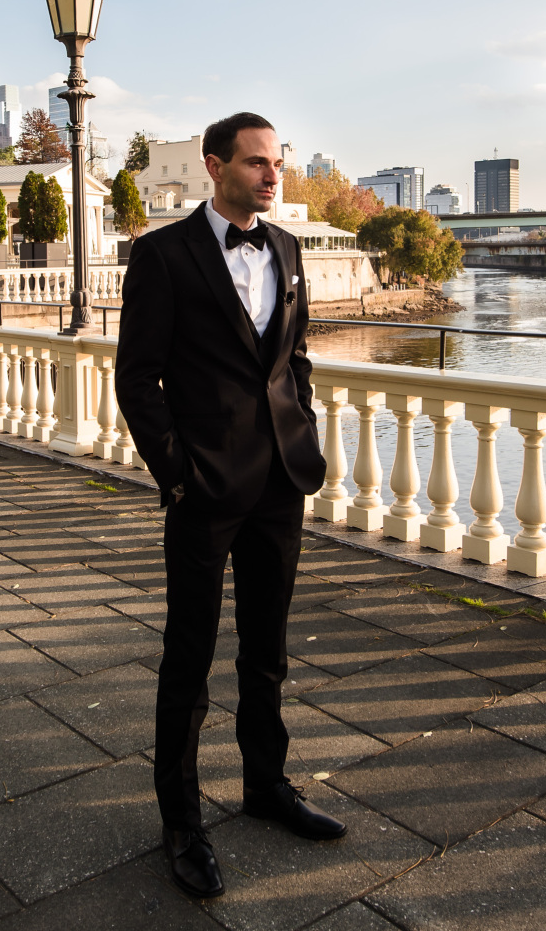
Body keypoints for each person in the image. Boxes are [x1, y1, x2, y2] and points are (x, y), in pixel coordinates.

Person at [114, 111, 344, 900]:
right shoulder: (163, 255)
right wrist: (176, 475)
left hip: (280, 483)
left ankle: (266, 785)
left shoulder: (286, 248)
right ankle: (181, 824)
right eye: (256, 163)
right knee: (189, 658)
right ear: (215, 167)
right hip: (205, 489)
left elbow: (294, 358)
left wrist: (302, 431)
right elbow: (136, 377)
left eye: (277, 162)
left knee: (267, 649)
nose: (272, 175)